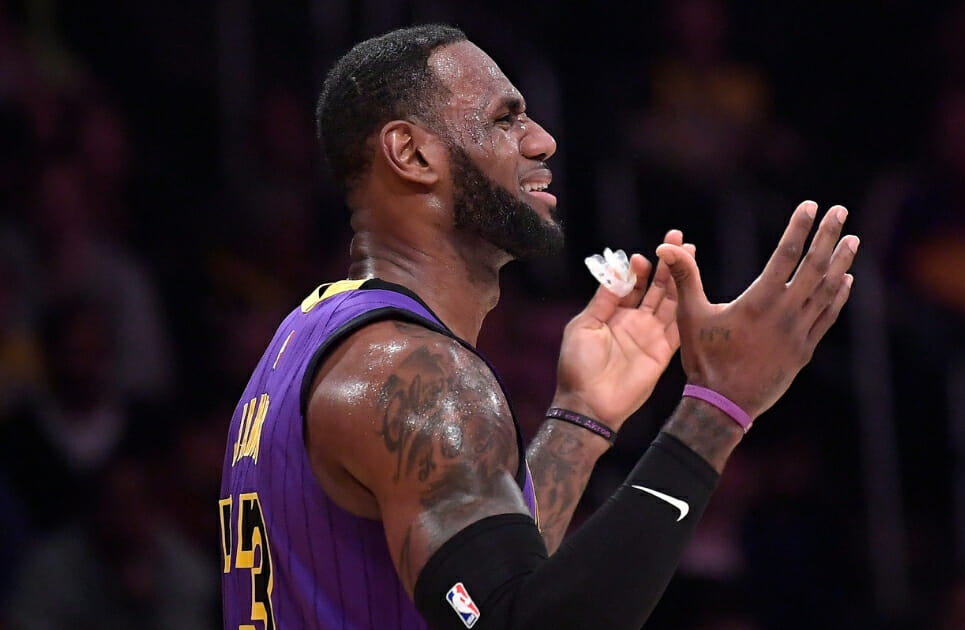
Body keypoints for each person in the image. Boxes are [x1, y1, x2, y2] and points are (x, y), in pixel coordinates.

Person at [219, 24, 857, 630]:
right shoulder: (416, 375)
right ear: (412, 153)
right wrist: (717, 408)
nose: (542, 139)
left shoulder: (308, 341)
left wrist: (581, 420)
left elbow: (488, 584)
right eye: (505, 118)